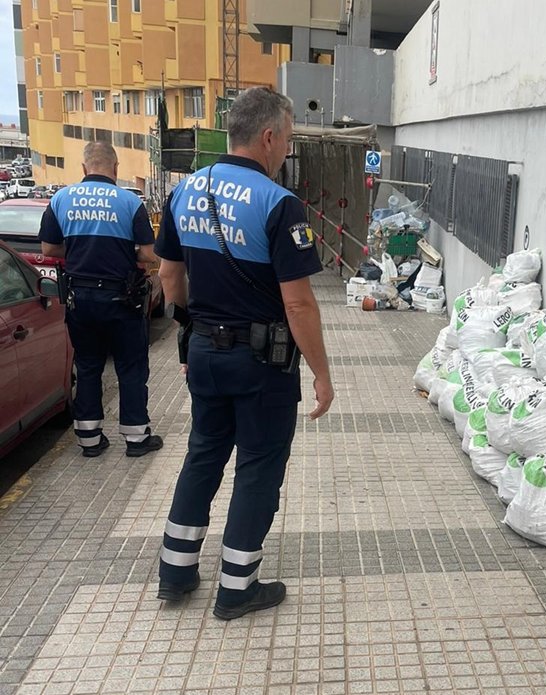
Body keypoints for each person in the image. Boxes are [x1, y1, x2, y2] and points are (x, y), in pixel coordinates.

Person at [154, 87, 334, 620]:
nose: (287, 150)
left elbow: (168, 274)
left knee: (203, 454)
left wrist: (191, 335)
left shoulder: (185, 190)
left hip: (205, 352)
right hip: (262, 364)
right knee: (257, 468)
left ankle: (176, 572)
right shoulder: (280, 204)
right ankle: (237, 589)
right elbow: (299, 305)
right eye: (289, 139)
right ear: (269, 136)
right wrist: (322, 375)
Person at [38, 141, 164, 458]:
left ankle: (89, 439)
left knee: (89, 364)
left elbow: (49, 250)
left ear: (84, 168)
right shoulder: (128, 202)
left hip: (80, 297)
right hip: (122, 298)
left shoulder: (61, 199)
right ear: (116, 168)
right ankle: (136, 439)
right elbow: (149, 254)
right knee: (131, 367)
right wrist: (123, 253)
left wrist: (82, 253)